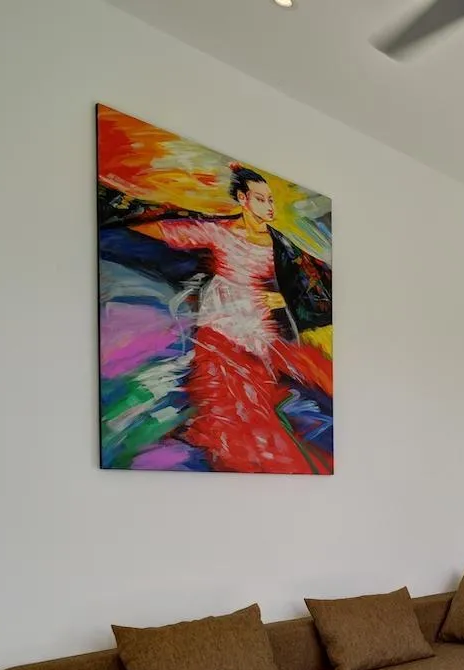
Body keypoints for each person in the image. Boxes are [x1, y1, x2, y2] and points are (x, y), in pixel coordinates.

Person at [132, 165, 332, 474]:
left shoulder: (283, 246)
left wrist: (286, 300)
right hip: (221, 324)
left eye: (270, 200)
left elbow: (310, 288)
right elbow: (166, 232)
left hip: (261, 329)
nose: (269, 206)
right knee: (228, 403)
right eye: (261, 199)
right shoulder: (220, 232)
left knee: (277, 389)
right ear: (243, 199)